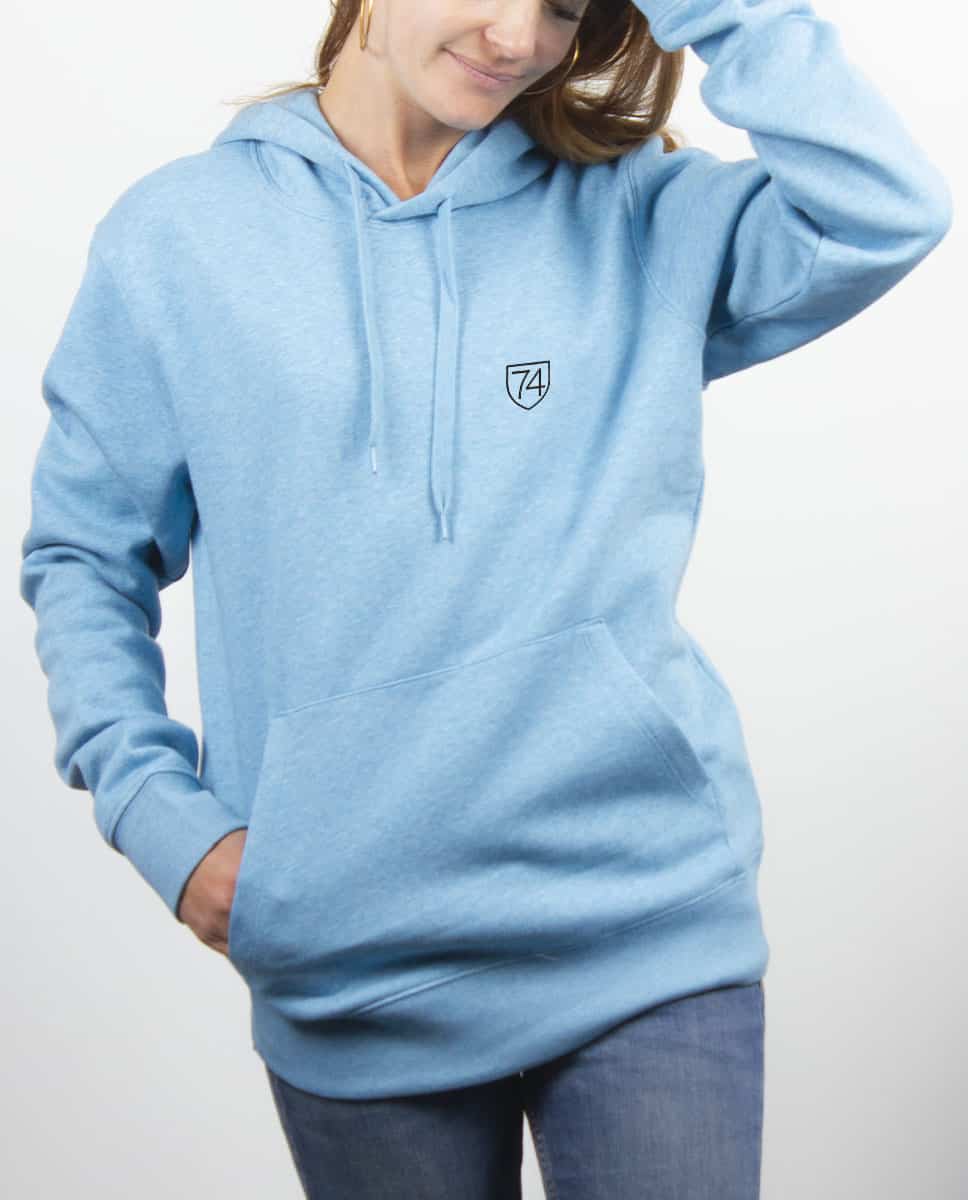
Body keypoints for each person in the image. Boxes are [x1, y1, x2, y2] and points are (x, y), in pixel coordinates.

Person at [19, 0, 950, 1195]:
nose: (518, 37)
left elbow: (881, 209)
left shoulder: (636, 214)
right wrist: (161, 818)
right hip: (352, 961)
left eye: (562, 5)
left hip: (639, 922)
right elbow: (85, 556)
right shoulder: (179, 240)